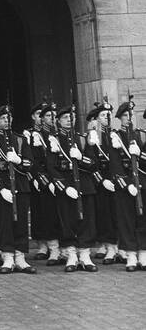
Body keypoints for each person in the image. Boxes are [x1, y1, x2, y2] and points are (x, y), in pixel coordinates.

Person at [0, 106, 36, 274]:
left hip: (20, 187)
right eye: (2, 118)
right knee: (4, 222)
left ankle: (20, 257)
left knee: (21, 222)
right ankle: (7, 257)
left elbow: (29, 164)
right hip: (3, 189)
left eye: (9, 118)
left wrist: (19, 160)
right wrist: (0, 189)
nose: (7, 121)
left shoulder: (20, 140)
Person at [46, 105, 97, 272]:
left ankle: (85, 255)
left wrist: (82, 158)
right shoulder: (54, 141)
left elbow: (93, 164)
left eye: (71, 117)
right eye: (65, 117)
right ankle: (71, 255)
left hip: (84, 186)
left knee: (86, 221)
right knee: (67, 221)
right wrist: (64, 187)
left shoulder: (82, 139)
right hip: (67, 187)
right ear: (59, 121)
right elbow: (51, 168)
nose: (69, 120)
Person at [108, 98, 145, 271]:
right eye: (125, 116)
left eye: (131, 115)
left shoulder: (139, 135)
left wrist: (140, 154)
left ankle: (143, 253)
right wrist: (125, 184)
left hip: (141, 185)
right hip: (125, 186)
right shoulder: (116, 136)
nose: (129, 118)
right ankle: (131, 254)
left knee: (142, 219)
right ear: (120, 118)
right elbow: (115, 166)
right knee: (127, 220)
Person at [86, 101, 119, 263]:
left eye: (108, 115)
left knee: (118, 214)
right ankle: (109, 247)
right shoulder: (93, 137)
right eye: (103, 115)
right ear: (97, 118)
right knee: (105, 215)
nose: (107, 117)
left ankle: (119, 246)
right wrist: (101, 180)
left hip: (117, 181)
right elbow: (91, 163)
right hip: (102, 182)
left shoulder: (115, 134)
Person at [25, 104, 57, 264]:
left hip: (59, 179)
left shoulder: (57, 134)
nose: (51, 118)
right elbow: (32, 159)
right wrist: (39, 179)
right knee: (42, 212)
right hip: (41, 179)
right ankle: (43, 245)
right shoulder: (32, 135)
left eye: (53, 115)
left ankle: (58, 247)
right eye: (45, 115)